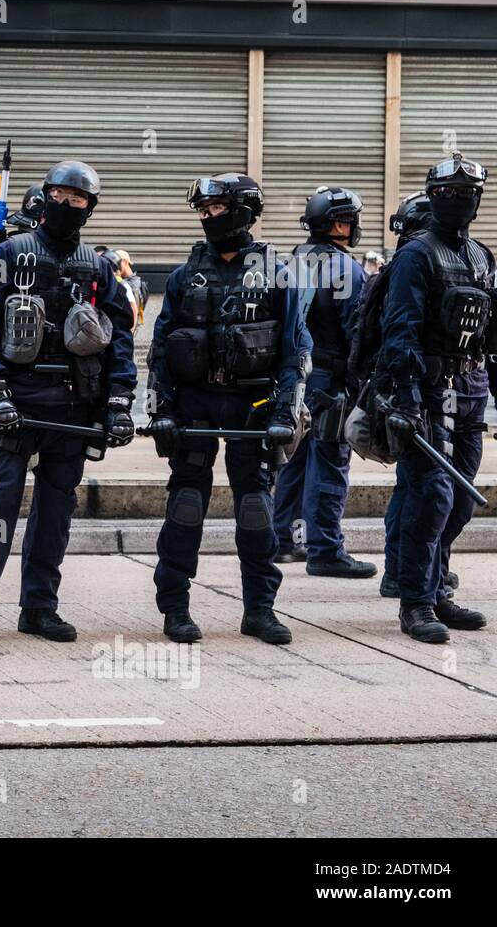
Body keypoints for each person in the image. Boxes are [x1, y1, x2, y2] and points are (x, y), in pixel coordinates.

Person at [0, 162, 137, 648]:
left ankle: (40, 608)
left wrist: (120, 401)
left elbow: (118, 339)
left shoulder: (99, 267)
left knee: (55, 513)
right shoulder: (8, 254)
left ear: (91, 207)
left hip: (72, 408)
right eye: (59, 195)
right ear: (44, 198)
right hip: (14, 404)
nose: (67, 205)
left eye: (77, 198)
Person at [147, 173, 309, 645]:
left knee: (256, 509)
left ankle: (259, 609)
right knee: (185, 506)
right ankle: (175, 608)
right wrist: (161, 409)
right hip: (195, 406)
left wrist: (285, 414)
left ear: (244, 211)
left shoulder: (279, 275)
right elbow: (160, 350)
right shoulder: (183, 276)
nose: (208, 218)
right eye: (203, 210)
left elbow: (295, 352)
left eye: (217, 209)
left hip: (254, 407)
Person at [375, 154, 493, 643]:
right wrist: (404, 399)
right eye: (447, 193)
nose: (458, 201)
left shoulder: (482, 255)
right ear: (433, 196)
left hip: (471, 390)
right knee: (432, 496)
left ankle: (437, 586)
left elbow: (493, 335)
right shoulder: (416, 255)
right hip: (428, 392)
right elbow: (399, 329)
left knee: (460, 500)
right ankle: (416, 602)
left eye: (467, 193)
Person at [271, 186, 374, 577]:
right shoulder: (348, 269)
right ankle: (326, 550)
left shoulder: (291, 261)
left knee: (293, 461)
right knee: (330, 463)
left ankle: (283, 540)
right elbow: (358, 333)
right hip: (331, 381)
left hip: (296, 380)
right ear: (338, 223)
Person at [368, 192, 459, 598]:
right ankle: (414, 587)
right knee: (426, 490)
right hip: (415, 393)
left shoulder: (468, 257)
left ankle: (425, 575)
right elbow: (394, 333)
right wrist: (403, 397)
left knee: (436, 493)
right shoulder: (410, 263)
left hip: (457, 393)